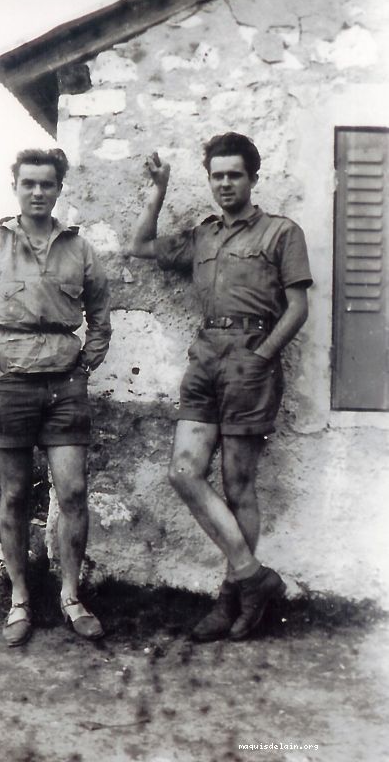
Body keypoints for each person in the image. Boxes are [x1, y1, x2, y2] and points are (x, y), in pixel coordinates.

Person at [131, 133, 312, 642]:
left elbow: (298, 308)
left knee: (238, 486)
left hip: (251, 360)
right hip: (205, 358)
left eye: (234, 174)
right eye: (217, 175)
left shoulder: (281, 232)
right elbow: (140, 245)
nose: (225, 183)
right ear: (209, 180)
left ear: (252, 178)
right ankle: (254, 578)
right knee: (184, 472)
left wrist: (262, 356)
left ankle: (231, 598)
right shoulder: (202, 236)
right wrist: (158, 191)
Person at [0, 148, 111, 647]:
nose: (38, 192)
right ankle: (20, 597)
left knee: (73, 492)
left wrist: (84, 366)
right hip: (10, 385)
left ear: (59, 188)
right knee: (16, 494)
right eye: (29, 184)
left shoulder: (79, 250)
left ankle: (69, 595)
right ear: (15, 187)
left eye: (47, 184)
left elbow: (101, 316)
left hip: (64, 387)